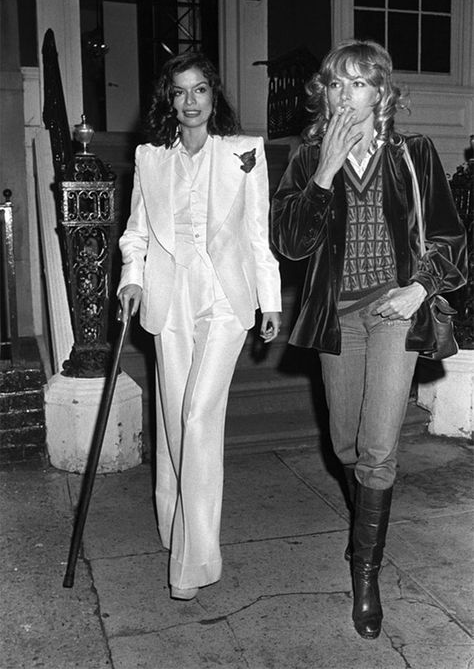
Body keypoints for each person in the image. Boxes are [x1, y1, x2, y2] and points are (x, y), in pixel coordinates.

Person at [271, 40, 467, 639]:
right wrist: (325, 174)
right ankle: (366, 531)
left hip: (393, 313)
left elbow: (451, 240)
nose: (344, 96)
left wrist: (419, 289)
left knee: (379, 448)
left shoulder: (414, 154)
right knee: (347, 446)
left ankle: (366, 572)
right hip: (338, 319)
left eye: (358, 84)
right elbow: (290, 244)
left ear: (381, 93)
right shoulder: (307, 159)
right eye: (335, 85)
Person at [117, 52, 281, 601]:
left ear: (215, 96)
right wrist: (131, 278)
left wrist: (270, 300)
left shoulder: (244, 154)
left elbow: (258, 235)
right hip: (170, 299)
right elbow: (136, 231)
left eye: (201, 90)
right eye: (181, 92)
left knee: (196, 414)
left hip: (225, 301)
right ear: (170, 99)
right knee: (171, 417)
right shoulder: (149, 157)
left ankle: (195, 559)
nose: (191, 102)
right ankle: (172, 520)